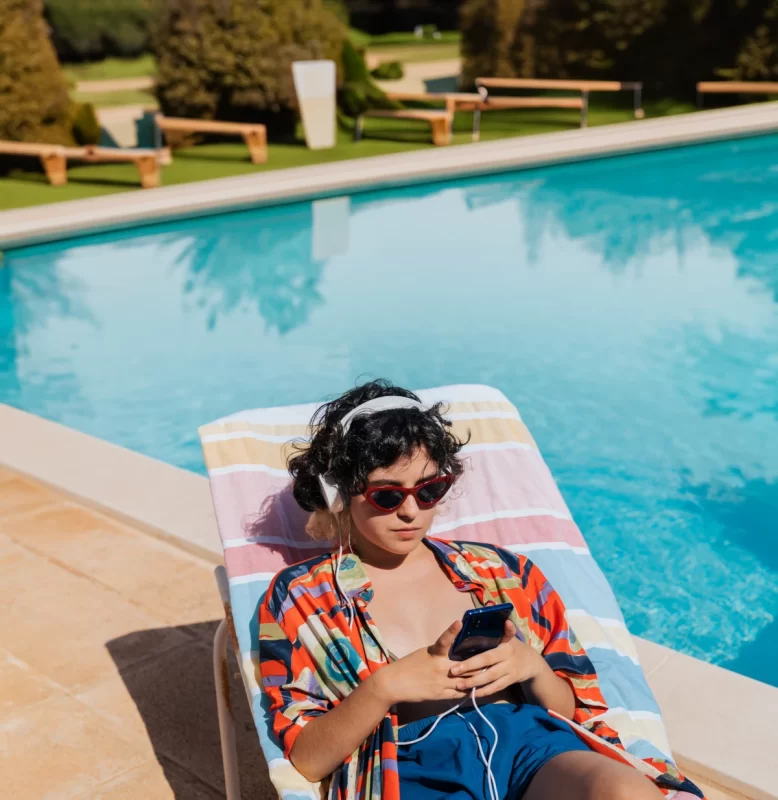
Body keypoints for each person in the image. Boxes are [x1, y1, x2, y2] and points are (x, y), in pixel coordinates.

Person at [258, 380, 703, 800]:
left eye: (430, 490)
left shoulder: (503, 571)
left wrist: (532, 668)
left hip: (529, 744)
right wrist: (386, 687)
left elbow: (575, 710)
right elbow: (309, 758)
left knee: (626, 793)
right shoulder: (303, 597)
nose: (411, 511)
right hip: (410, 764)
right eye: (387, 496)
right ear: (338, 495)